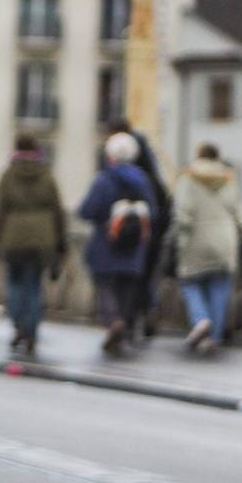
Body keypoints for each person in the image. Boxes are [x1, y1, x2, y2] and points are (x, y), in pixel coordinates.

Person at [79, 130, 156, 355]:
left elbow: (88, 210)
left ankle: (113, 321)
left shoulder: (104, 179)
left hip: (107, 243)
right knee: (127, 289)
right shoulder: (143, 180)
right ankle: (124, 324)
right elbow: (154, 211)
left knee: (106, 286)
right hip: (134, 247)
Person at [0, 134, 64, 356]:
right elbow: (57, 210)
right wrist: (60, 241)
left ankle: (18, 324)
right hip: (42, 238)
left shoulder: (8, 175)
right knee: (34, 285)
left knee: (14, 284)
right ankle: (31, 330)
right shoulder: (47, 175)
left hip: (13, 238)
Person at [172, 142, 242, 354]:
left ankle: (201, 320)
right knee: (220, 287)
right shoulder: (229, 178)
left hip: (196, 238)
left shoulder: (187, 178)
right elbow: (240, 213)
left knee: (190, 282)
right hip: (225, 239)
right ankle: (213, 337)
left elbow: (183, 213)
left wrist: (180, 236)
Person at [104, 119, 170, 338]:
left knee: (122, 278)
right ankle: (148, 310)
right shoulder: (149, 172)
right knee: (145, 274)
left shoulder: (118, 171)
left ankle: (126, 320)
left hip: (125, 229)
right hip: (150, 228)